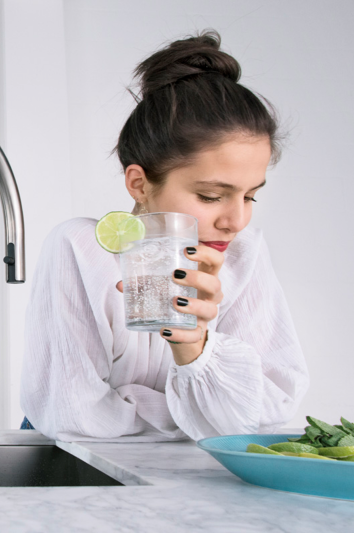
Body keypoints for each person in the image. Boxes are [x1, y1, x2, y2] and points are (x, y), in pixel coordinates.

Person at [19, 30, 309, 442]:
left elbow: (268, 413)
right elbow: (72, 417)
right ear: (138, 184)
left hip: (181, 473)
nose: (236, 221)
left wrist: (194, 347)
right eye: (211, 196)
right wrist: (192, 416)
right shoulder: (82, 250)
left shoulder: (244, 256)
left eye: (250, 197)